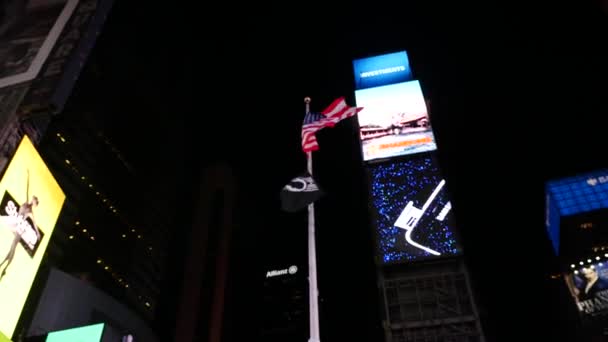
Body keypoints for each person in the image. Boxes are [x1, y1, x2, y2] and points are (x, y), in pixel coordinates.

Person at [0, 169, 40, 280]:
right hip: (16, 224)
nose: (33, 200)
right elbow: (27, 188)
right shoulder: (26, 202)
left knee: (13, 246)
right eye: (34, 199)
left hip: (20, 228)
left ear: (35, 203)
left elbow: (35, 224)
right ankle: (4, 267)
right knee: (12, 246)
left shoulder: (31, 212)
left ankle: (4, 266)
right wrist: (28, 176)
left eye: (35, 200)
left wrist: (37, 233)